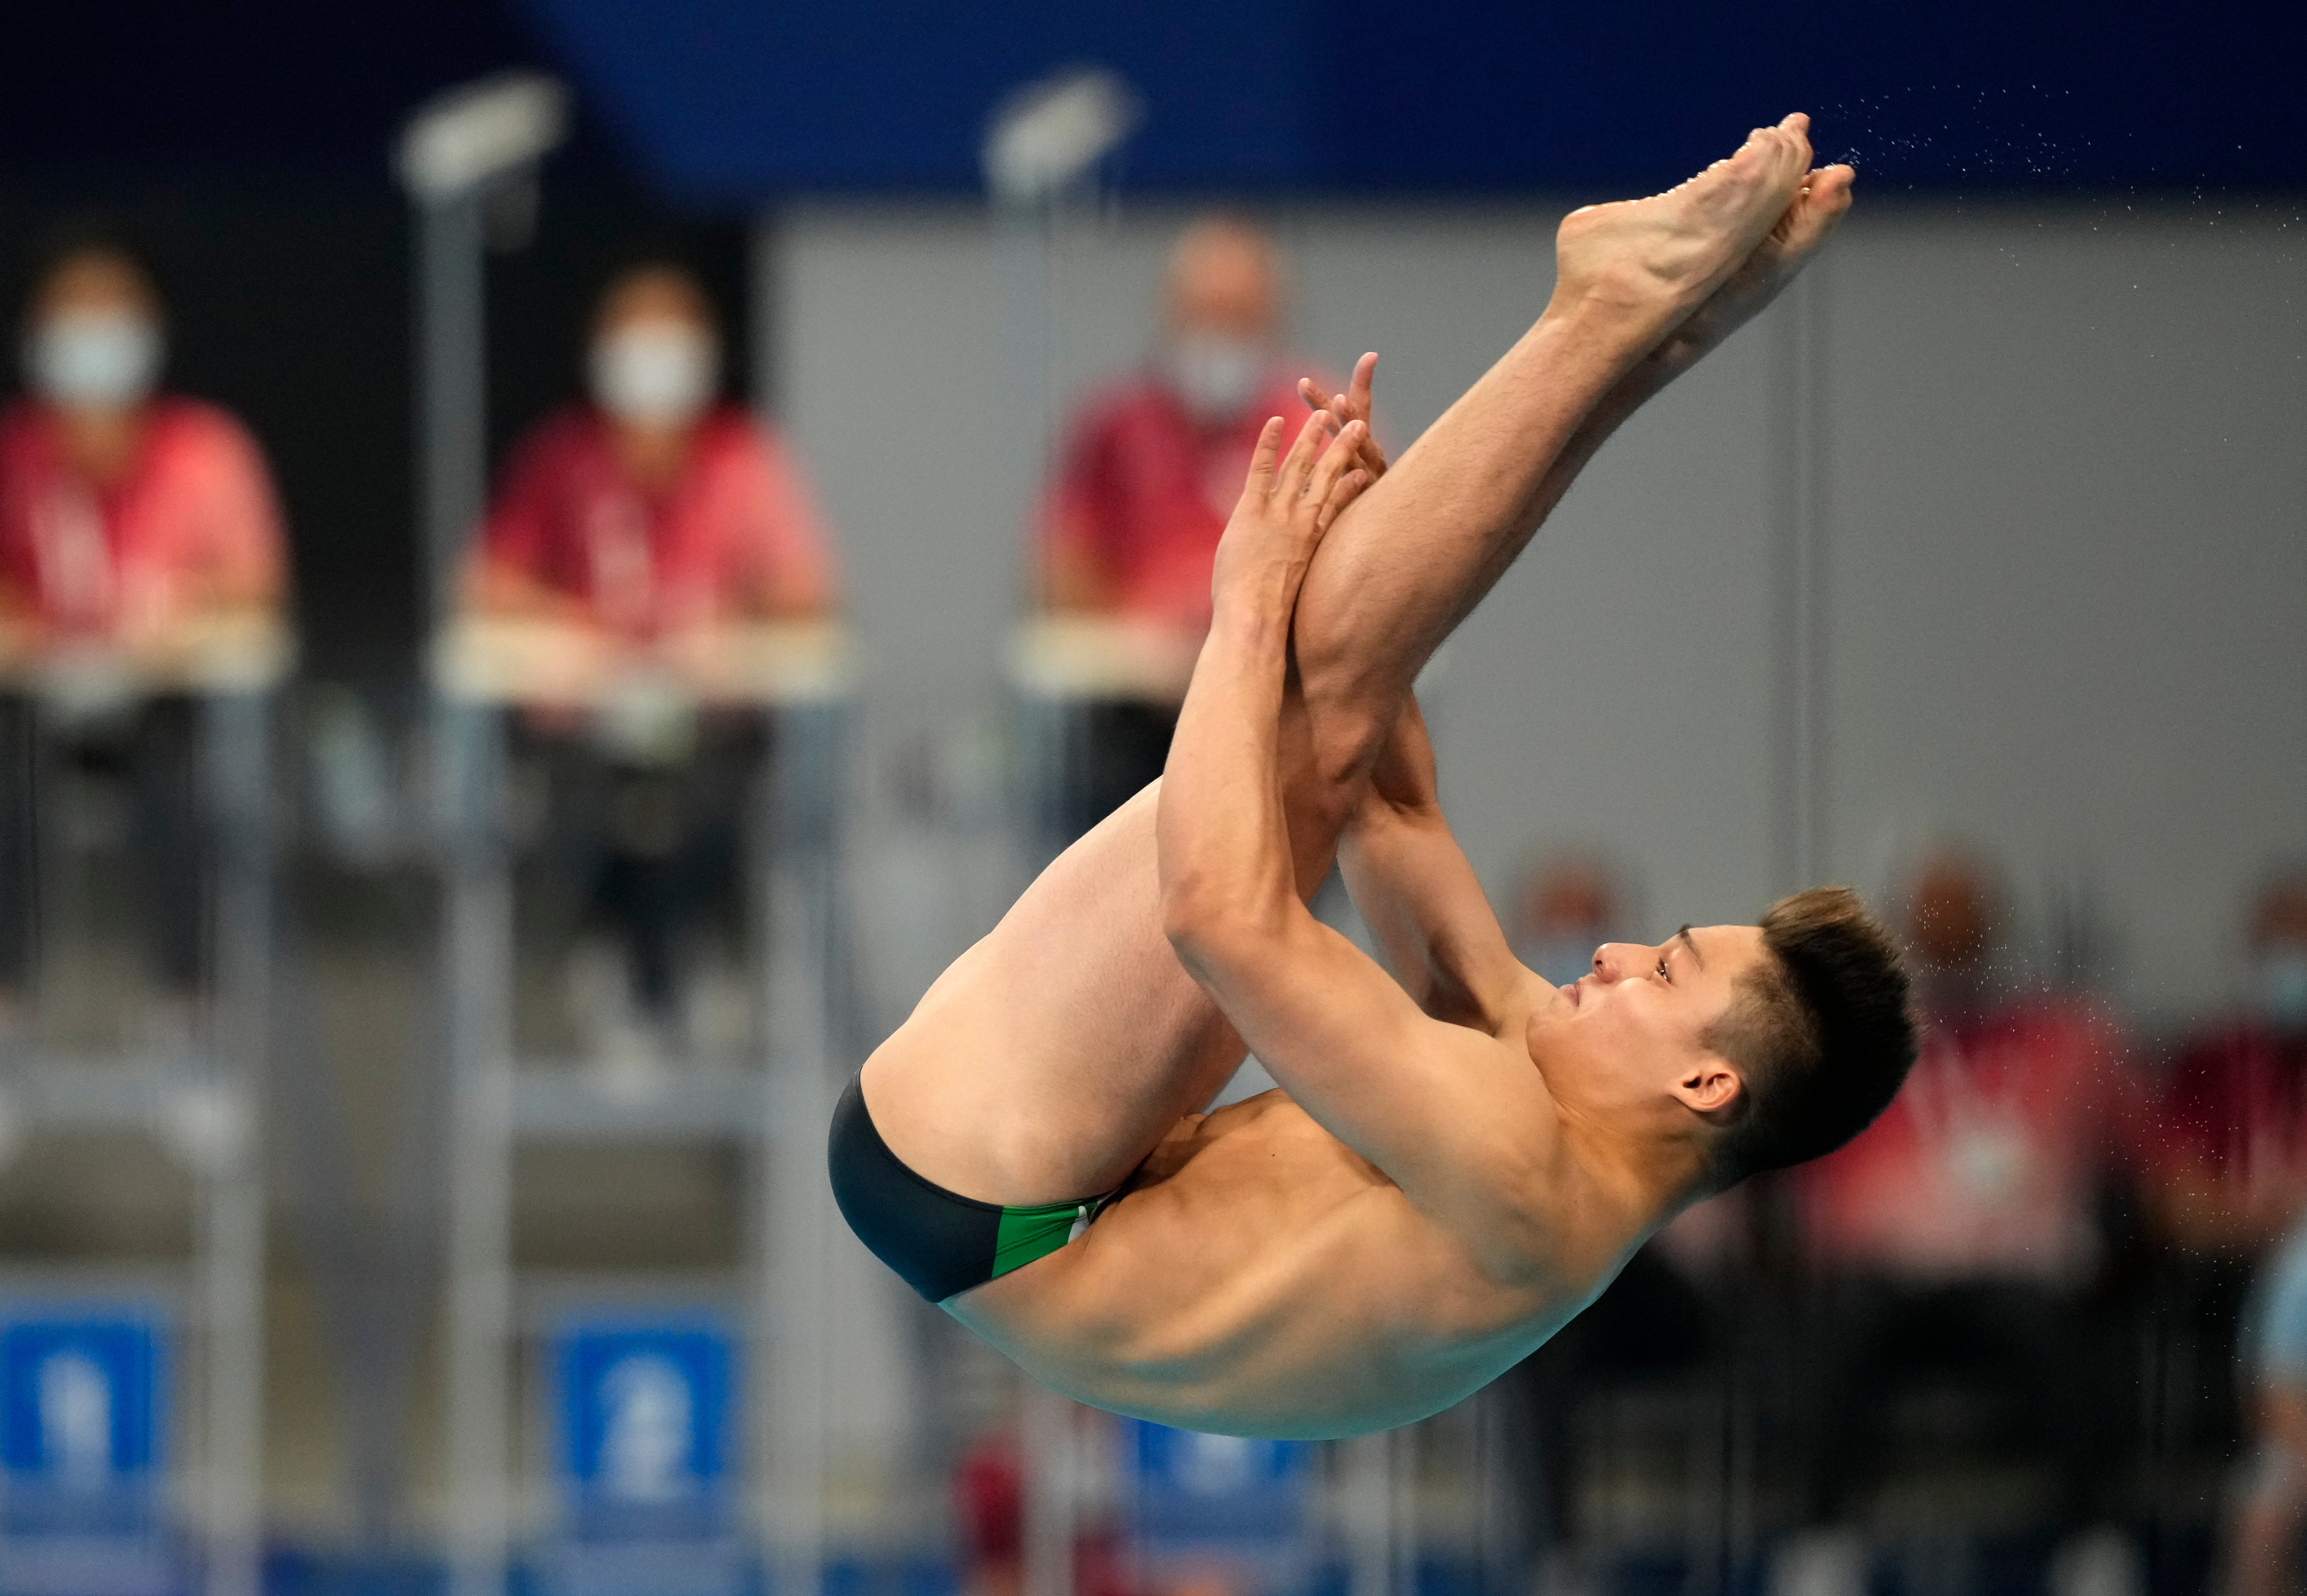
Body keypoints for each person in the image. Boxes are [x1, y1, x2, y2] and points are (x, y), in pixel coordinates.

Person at [833, 117, 1915, 1439]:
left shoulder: (1523, 1181)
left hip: (981, 1182)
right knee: (1339, 716)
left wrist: (1243, 605)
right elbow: (1393, 807)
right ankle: (1642, 326)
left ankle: (1605, 311)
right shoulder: (1540, 1081)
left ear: (1707, 1087)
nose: (1623, 954)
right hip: (1059, 1189)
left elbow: (1223, 920)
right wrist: (1405, 538)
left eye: (1669, 972)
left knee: (1301, 696)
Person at [461, 260, 838, 1065]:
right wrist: (584, 624)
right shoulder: (562, 459)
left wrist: (728, 621)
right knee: (581, 808)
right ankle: (605, 958)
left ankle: (687, 964)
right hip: (586, 724)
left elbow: (809, 593)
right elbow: (486, 586)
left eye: (672, 345)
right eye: (636, 345)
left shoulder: (743, 461)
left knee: (707, 804)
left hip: (707, 722)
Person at [1786, 846, 2138, 1557]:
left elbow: (2131, 1158)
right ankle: (1821, 1544)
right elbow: (1824, 1198)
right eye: (1932, 920)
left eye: (1964, 921)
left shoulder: (2065, 1038)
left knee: (2065, 1334)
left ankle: (2093, 1544)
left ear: (1994, 928)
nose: (1948, 937)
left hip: (2015, 1281)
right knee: (1832, 1327)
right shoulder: (1862, 1045)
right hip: (1892, 1286)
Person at [0, 241, 289, 1046]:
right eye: (74, 319)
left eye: (111, 317)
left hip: (160, 702)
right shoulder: (14, 452)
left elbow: (256, 594)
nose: (92, 338)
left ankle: (187, 1007)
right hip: (30, 709)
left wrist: (174, 630)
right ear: (36, 333)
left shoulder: (204, 451)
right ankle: (6, 1006)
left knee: (187, 776)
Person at [1033, 216, 1326, 836]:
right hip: (1139, 722)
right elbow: (1060, 570)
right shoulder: (1114, 426)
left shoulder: (1317, 419)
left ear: (1273, 319)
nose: (1218, 335)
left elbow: (1366, 568)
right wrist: (1139, 629)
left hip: (1286, 716)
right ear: (1169, 314)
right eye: (1204, 314)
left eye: (1238, 316)